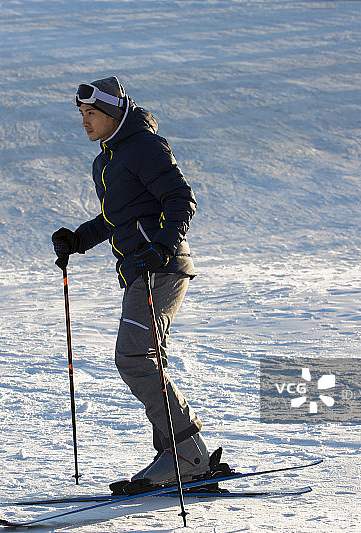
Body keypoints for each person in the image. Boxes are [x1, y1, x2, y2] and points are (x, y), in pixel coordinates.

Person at [52, 76, 213, 494]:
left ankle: (187, 453)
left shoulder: (144, 146)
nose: (84, 122)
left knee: (134, 357)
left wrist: (161, 246)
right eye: (81, 114)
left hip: (160, 266)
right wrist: (78, 239)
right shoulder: (106, 161)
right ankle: (175, 453)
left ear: (112, 113)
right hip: (140, 270)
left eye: (91, 113)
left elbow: (181, 198)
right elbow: (116, 218)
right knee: (146, 358)